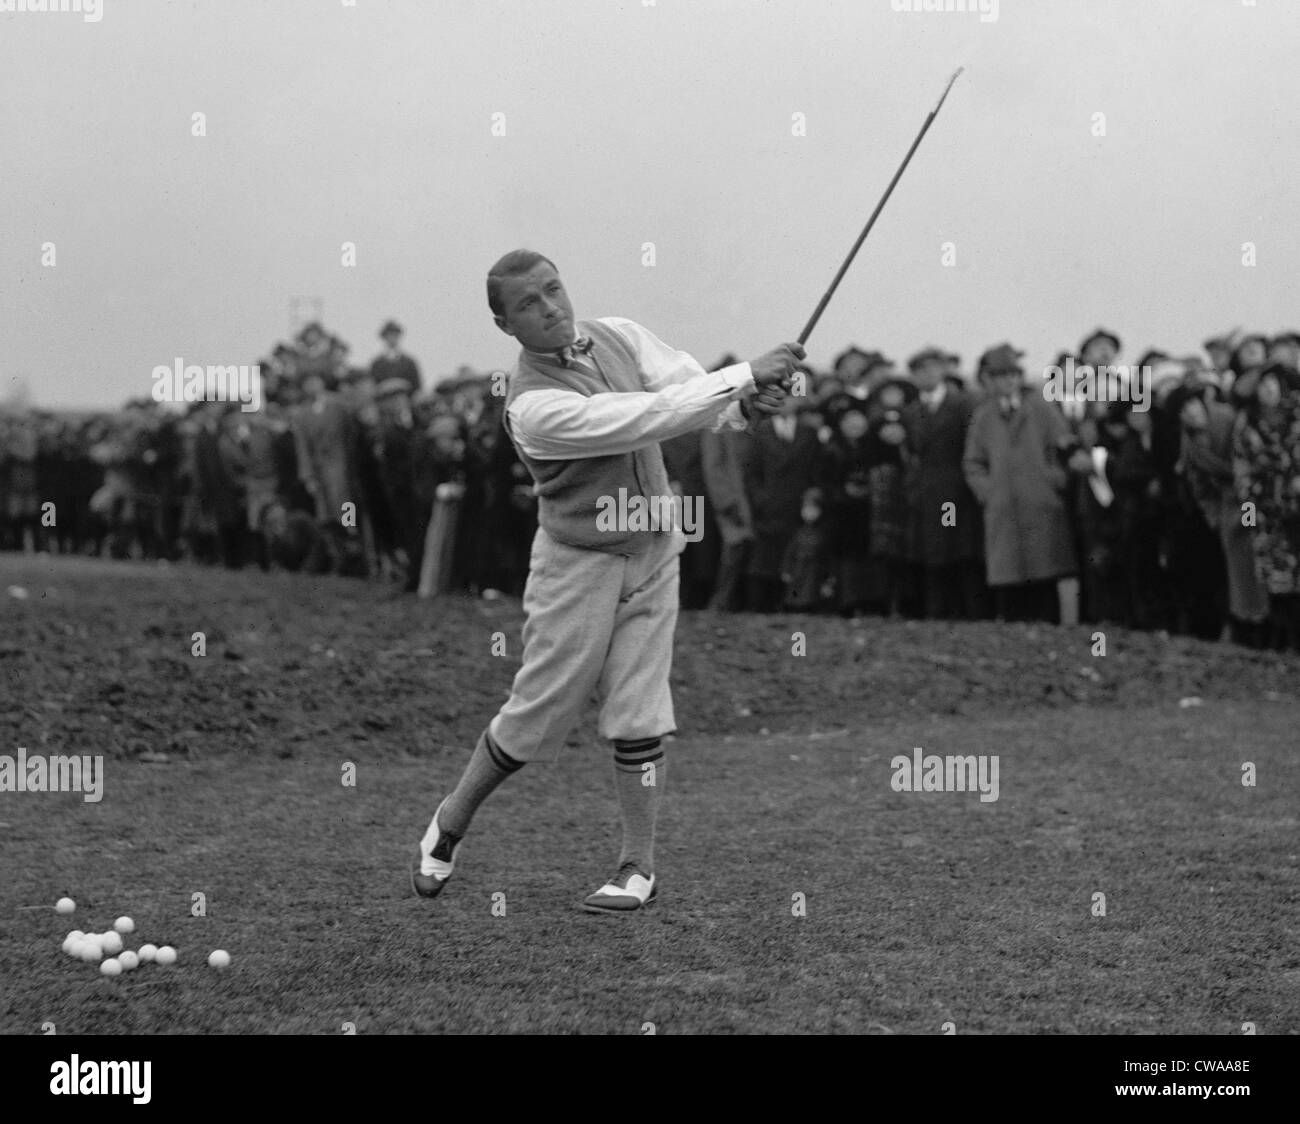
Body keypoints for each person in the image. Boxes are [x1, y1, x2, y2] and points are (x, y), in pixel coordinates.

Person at [410, 249, 801, 913]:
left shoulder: (618, 332)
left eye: (553, 290)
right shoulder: (532, 408)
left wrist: (747, 405)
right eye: (529, 305)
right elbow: (648, 416)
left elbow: (689, 394)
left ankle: (636, 866)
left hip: (653, 548)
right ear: (506, 326)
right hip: (577, 564)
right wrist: (741, 377)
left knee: (639, 705)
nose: (551, 308)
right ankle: (450, 820)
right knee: (540, 711)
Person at [962, 343, 1081, 623]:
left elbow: (1065, 446)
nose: (1009, 381)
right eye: (1001, 375)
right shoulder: (983, 417)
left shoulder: (1041, 408)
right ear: (989, 380)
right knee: (1011, 581)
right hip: (1002, 506)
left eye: (1013, 374)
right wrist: (987, 491)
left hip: (1040, 501)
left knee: (1045, 573)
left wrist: (1054, 479)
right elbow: (973, 462)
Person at [370, 321, 422, 394]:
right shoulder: (377, 364)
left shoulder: (409, 363)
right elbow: (373, 387)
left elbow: (417, 387)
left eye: (395, 335)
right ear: (384, 338)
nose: (392, 338)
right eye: (389, 335)